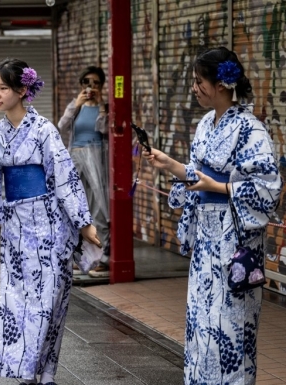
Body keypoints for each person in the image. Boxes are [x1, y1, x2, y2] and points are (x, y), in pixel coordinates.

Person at [0, 58, 101, 385]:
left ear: (22, 90)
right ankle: (25, 372)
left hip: (50, 227)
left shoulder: (44, 130)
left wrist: (83, 222)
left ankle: (43, 373)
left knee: (48, 303)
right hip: (15, 228)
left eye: (3, 87)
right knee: (16, 303)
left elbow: (64, 176)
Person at [143, 47, 282, 384]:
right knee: (201, 324)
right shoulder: (206, 123)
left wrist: (218, 188)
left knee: (230, 328)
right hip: (207, 240)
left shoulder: (252, 129)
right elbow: (197, 175)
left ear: (222, 84)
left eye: (198, 81)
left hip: (235, 240)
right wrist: (171, 166)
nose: (194, 87)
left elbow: (269, 187)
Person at [58, 66, 110, 278]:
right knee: (77, 209)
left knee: (99, 209)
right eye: (87, 82)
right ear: (81, 85)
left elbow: (106, 131)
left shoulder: (104, 107)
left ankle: (103, 259)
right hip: (76, 158)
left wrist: (102, 107)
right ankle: (82, 259)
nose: (91, 87)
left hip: (96, 158)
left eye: (96, 83)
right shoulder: (76, 105)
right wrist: (76, 106)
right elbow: (61, 126)